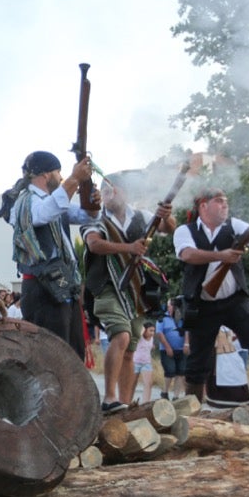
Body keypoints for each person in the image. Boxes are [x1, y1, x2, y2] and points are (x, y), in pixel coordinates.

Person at [172, 187, 249, 402]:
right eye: (219, 201)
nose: (225, 205)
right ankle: (193, 411)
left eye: (225, 201)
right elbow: (188, 255)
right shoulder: (185, 230)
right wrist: (222, 255)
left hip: (235, 301)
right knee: (197, 363)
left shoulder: (234, 225)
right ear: (204, 205)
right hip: (202, 305)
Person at [83, 175, 174, 412]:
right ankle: (109, 397)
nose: (106, 195)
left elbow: (168, 227)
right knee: (121, 337)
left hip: (135, 290)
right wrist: (129, 248)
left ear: (124, 192)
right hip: (106, 288)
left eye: (112, 190)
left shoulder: (141, 216)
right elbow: (94, 245)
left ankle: (122, 403)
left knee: (131, 348)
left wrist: (166, 214)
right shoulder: (96, 219)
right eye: (104, 191)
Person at [0, 151, 99, 358]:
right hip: (41, 287)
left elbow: (86, 217)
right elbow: (44, 213)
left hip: (61, 283)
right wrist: (74, 180)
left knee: (71, 351)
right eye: (58, 172)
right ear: (45, 175)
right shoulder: (23, 202)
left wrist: (93, 205)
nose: (61, 177)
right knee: (51, 354)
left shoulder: (51, 201)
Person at [156, 299, 186, 400]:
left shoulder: (182, 317)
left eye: (171, 306)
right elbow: (159, 333)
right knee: (170, 370)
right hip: (166, 349)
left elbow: (187, 331)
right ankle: (164, 392)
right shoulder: (162, 318)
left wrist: (187, 344)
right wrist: (167, 347)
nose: (169, 307)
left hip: (181, 349)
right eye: (168, 305)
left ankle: (176, 396)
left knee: (181, 372)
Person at [132, 322, 157, 404]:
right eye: (150, 331)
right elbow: (140, 331)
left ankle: (146, 402)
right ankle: (128, 401)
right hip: (136, 362)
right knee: (133, 383)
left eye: (153, 331)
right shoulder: (140, 337)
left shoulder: (152, 338)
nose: (152, 333)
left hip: (146, 363)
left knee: (148, 383)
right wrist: (143, 329)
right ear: (145, 330)